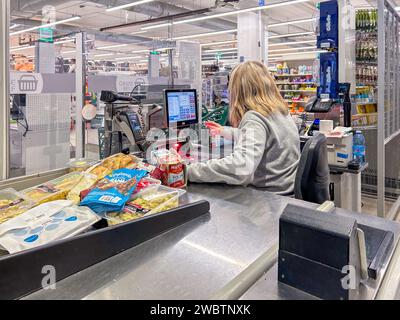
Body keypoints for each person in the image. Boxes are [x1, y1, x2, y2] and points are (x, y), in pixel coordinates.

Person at [187, 61, 300, 196]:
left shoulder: (254, 117)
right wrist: (224, 131)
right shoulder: (279, 111)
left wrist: (189, 171)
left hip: (269, 199)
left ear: (238, 90)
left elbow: (241, 167)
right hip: (286, 192)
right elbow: (265, 137)